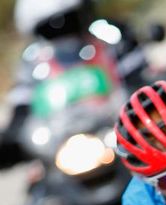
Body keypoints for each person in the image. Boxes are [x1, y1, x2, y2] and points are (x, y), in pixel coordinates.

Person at [0, 0, 151, 168]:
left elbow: (139, 78)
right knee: (38, 186)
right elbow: (21, 109)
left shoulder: (109, 39)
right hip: (61, 149)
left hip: (118, 138)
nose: (63, 31)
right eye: (51, 27)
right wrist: (10, 140)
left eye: (69, 20)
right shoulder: (33, 64)